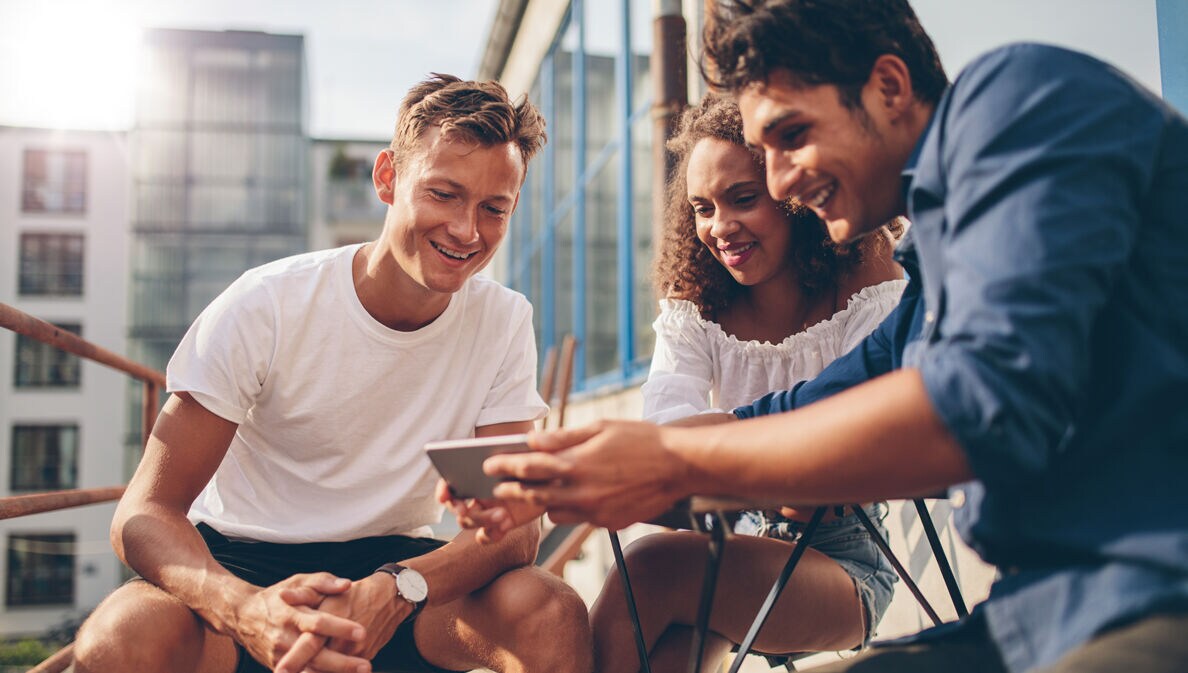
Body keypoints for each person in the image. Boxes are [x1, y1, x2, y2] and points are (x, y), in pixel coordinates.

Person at [462, 2, 1188, 672]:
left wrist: (673, 458)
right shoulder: (935, 267)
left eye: (791, 135)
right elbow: (801, 410)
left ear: (890, 87)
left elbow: (981, 403)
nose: (777, 182)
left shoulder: (1020, 102)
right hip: (1044, 610)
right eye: (761, 150)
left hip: (1153, 595)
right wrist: (576, 473)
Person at [73, 74, 593, 673]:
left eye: (493, 208)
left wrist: (399, 587)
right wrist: (245, 609)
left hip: (402, 579)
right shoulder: (267, 303)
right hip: (244, 567)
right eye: (444, 194)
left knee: (548, 610)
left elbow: (514, 528)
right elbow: (144, 512)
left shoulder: (502, 321)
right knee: (122, 634)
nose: (467, 230)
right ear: (387, 178)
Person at [590, 95, 903, 672]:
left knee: (649, 570)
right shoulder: (697, 309)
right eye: (702, 208)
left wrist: (714, 459)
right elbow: (667, 431)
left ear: (793, 194)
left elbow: (865, 435)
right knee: (662, 655)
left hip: (847, 559)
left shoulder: (863, 277)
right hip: (746, 544)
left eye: (743, 199)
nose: (720, 227)